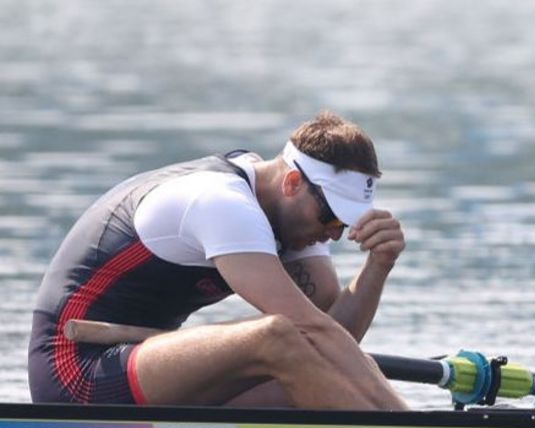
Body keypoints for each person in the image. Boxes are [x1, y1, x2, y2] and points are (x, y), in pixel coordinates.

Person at [29, 111, 408, 409]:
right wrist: (407, 422)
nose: (334, 234)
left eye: (345, 224)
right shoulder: (222, 203)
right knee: (276, 336)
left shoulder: (293, 214)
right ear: (292, 183)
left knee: (303, 376)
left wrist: (378, 266)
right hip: (75, 369)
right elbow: (312, 332)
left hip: (142, 362)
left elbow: (334, 337)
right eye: (330, 218)